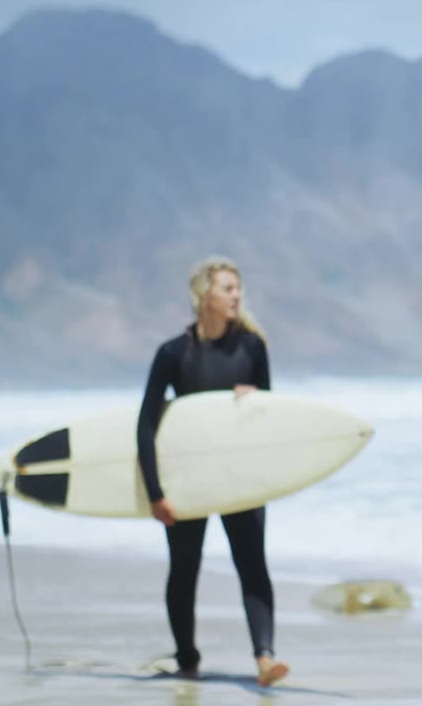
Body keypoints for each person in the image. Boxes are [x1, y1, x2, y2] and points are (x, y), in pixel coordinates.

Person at [136, 256, 289, 686]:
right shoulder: (173, 354)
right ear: (204, 296)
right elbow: (147, 424)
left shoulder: (252, 348)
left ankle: (265, 657)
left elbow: (271, 415)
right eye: (227, 288)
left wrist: (255, 398)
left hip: (239, 477)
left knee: (252, 566)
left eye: (238, 287)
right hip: (189, 480)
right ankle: (187, 660)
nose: (236, 295)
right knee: (184, 570)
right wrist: (155, 492)